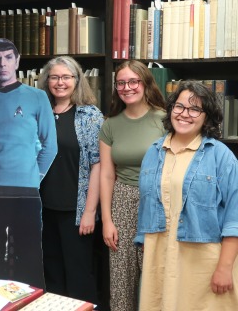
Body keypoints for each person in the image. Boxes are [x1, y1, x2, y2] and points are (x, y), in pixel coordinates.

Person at [135, 80, 238, 310]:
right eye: (179, 107)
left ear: (206, 117)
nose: (185, 114)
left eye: (194, 109)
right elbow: (146, 206)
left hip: (203, 263)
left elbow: (235, 217)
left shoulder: (221, 156)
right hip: (159, 258)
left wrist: (224, 267)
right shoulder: (154, 151)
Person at [0, 38, 57, 289]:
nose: (2, 63)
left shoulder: (37, 97)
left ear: (17, 61)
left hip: (27, 192)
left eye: (8, 57)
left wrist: (35, 177)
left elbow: (50, 145)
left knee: (29, 256)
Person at [99, 60, 166, 311]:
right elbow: (107, 174)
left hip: (157, 201)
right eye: (121, 83)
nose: (127, 88)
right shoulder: (110, 124)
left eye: (133, 81)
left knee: (156, 277)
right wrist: (107, 220)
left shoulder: (165, 120)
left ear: (145, 83)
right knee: (121, 280)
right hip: (122, 201)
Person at [37, 56, 103, 304]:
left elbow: (98, 165)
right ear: (46, 80)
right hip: (41, 209)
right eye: (54, 77)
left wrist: (89, 211)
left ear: (77, 80)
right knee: (50, 274)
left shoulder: (89, 115)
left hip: (75, 211)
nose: (60, 82)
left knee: (78, 276)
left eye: (66, 77)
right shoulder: (38, 113)